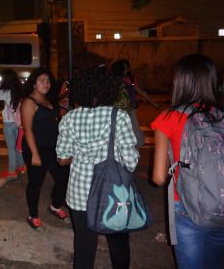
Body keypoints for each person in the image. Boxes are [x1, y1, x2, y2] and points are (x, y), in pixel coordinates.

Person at [56, 65, 139, 269]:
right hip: (113, 193)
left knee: (84, 244)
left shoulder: (68, 119)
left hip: (79, 194)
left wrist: (83, 156)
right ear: (108, 89)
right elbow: (131, 161)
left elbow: (62, 159)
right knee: (118, 243)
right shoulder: (118, 117)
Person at [151, 54, 224, 269]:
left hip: (186, 207)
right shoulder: (220, 115)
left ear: (181, 81)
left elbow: (157, 177)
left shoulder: (168, 118)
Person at [20, 68, 70, 229]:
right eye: (42, 80)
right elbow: (27, 129)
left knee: (63, 177)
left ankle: (55, 205)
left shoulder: (49, 100)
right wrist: (34, 154)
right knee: (36, 183)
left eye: (48, 81)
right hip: (35, 147)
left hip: (53, 147)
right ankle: (33, 214)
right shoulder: (29, 102)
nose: (46, 83)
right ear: (34, 83)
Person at [112, 58, 161, 148]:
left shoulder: (127, 80)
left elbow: (137, 90)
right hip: (128, 110)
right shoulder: (122, 82)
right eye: (126, 68)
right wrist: (153, 103)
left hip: (127, 109)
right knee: (135, 134)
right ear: (122, 70)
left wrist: (152, 103)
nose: (128, 69)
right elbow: (139, 91)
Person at [0, 69, 25, 179]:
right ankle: (21, 166)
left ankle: (12, 171)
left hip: (8, 124)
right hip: (19, 123)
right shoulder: (20, 91)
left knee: (11, 148)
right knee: (19, 147)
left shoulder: (5, 93)